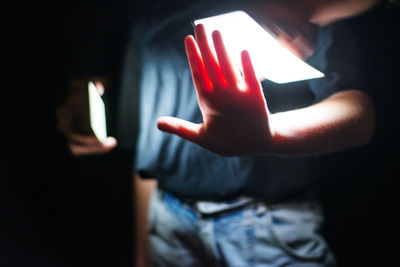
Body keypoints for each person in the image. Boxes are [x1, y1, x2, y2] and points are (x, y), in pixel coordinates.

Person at [58, 0, 397, 266]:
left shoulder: (294, 6)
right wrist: (143, 253)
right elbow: (152, 147)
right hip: (169, 224)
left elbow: (358, 113)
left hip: (268, 223)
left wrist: (269, 134)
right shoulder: (149, 14)